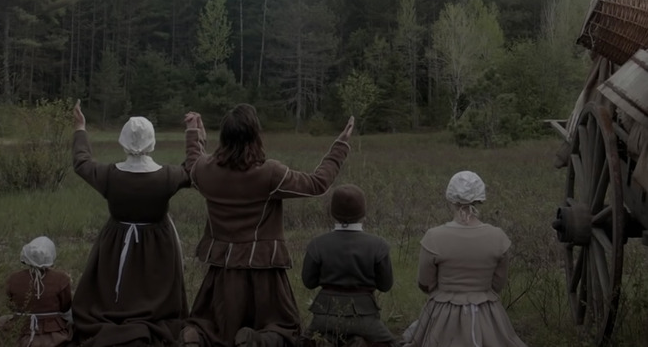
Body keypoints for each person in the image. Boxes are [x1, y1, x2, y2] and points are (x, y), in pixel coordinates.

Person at [180, 104, 355, 347]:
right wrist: (340, 145)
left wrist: (193, 134)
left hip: (223, 272)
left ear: (224, 136)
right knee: (284, 327)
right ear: (255, 135)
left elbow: (193, 164)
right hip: (264, 273)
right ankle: (258, 340)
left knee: (213, 325)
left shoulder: (206, 171)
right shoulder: (269, 173)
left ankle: (196, 337)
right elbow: (318, 184)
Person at [70, 99, 190, 347]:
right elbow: (193, 169)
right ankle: (151, 316)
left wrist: (80, 128)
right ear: (152, 142)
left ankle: (117, 315)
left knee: (117, 288)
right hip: (159, 246)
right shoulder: (167, 176)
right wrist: (193, 134)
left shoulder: (110, 176)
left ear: (123, 141)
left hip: (116, 243)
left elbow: (82, 162)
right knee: (154, 290)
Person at [403, 171, 527, 347]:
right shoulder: (497, 237)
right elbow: (498, 284)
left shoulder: (434, 237)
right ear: (480, 199)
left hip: (442, 314)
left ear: (450, 199)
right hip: (487, 314)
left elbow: (425, 283)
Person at [301, 184, 398, 347]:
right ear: (363, 212)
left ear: (332, 212)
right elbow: (385, 285)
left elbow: (308, 282)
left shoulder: (317, 244)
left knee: (305, 341)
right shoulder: (378, 245)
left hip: (324, 316)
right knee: (391, 344)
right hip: (365, 317)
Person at [1, 236, 72, 347]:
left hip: (21, 330)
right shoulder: (61, 279)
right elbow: (66, 307)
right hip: (53, 333)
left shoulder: (13, 278)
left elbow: (10, 305)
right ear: (51, 255)